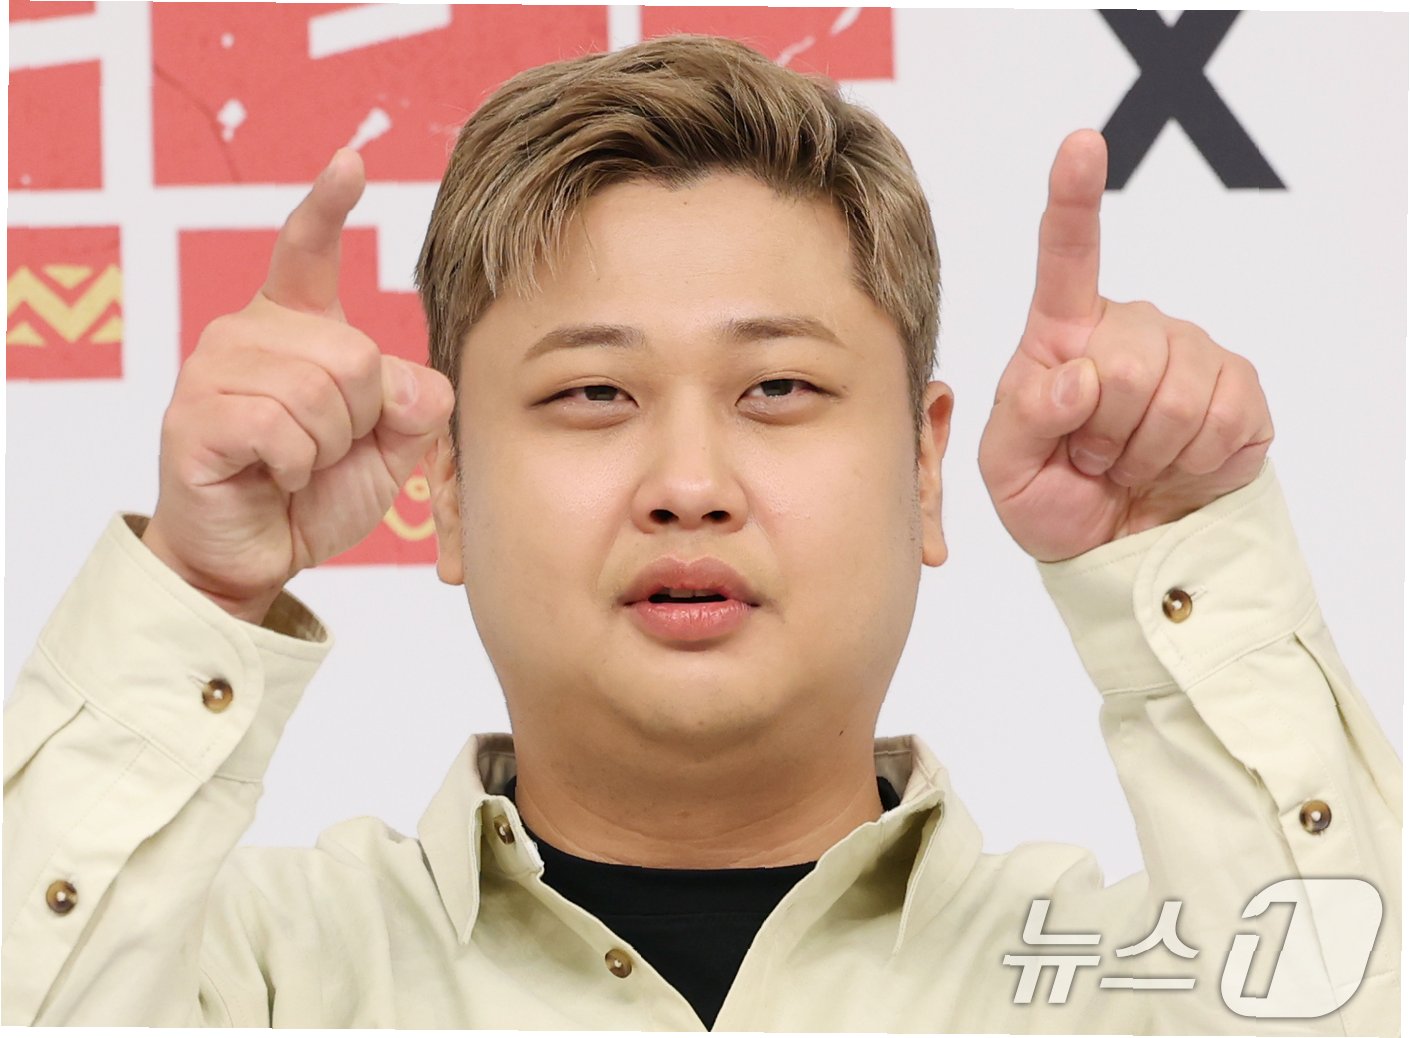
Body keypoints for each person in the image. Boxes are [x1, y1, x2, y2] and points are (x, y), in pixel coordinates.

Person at [2, 34, 1398, 1032]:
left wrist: (1171, 548)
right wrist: (201, 585)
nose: (687, 483)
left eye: (777, 389)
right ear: (450, 485)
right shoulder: (259, 978)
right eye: (591, 394)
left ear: (923, 467)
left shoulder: (1115, 979)